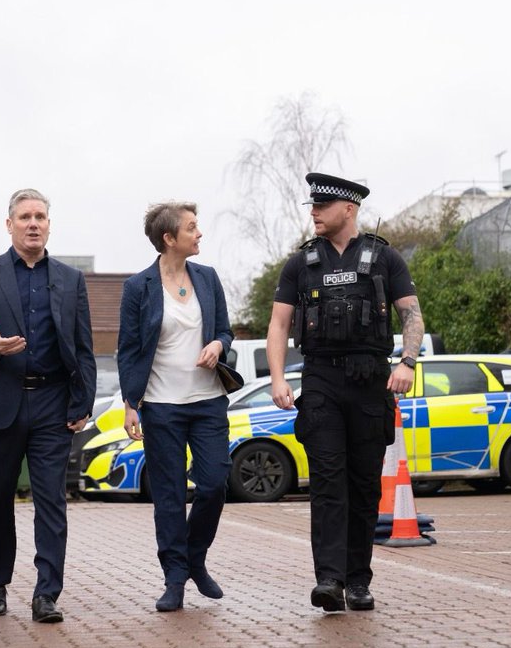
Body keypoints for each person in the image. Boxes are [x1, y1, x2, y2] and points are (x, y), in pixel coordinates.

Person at [265, 173, 423, 613]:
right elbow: (278, 324)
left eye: (323, 205)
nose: (314, 211)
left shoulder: (384, 257)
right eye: (312, 205)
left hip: (370, 380)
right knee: (328, 483)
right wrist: (279, 378)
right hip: (321, 381)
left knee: (364, 485)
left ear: (348, 209)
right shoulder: (301, 263)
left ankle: (358, 581)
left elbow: (411, 315)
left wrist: (407, 362)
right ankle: (329, 580)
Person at [0, 188, 96, 624]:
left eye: (40, 216)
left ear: (49, 224)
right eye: (24, 217)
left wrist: (82, 400)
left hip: (53, 403)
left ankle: (47, 593)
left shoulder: (71, 280)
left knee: (51, 499)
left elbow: (84, 347)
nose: (33, 223)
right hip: (0, 402)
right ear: (9, 224)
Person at [117, 202, 234, 612]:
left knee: (214, 483)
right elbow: (129, 350)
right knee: (168, 496)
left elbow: (224, 329)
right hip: (161, 408)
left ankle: (195, 557)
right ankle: (175, 579)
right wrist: (130, 403)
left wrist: (218, 344)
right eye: (191, 227)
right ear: (169, 239)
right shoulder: (138, 288)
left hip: (207, 403)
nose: (199, 233)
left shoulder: (207, 277)